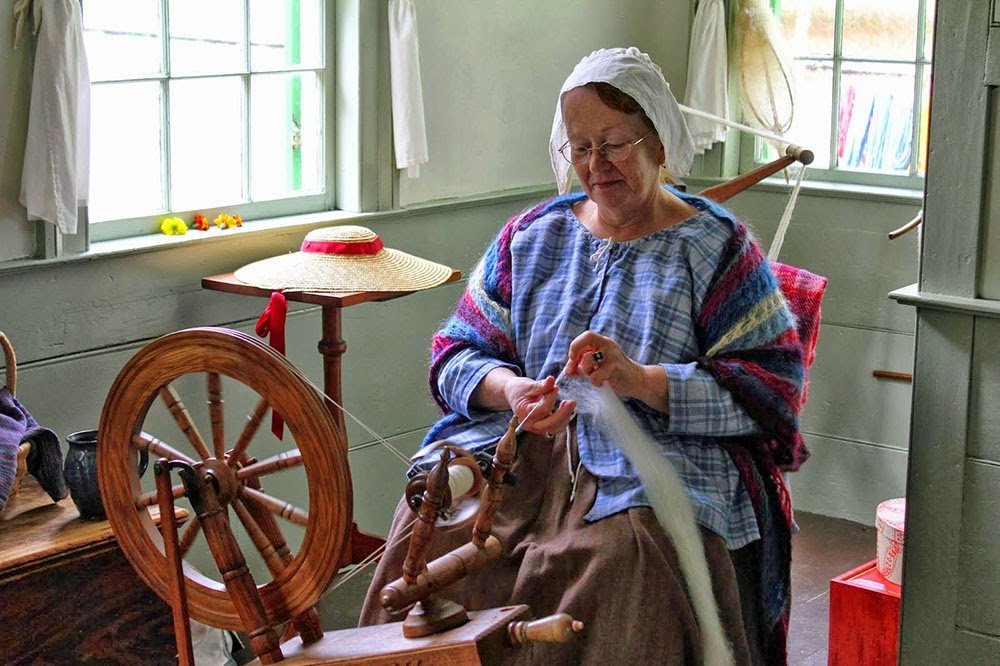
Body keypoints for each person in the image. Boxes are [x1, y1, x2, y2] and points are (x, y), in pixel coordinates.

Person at [359, 47, 811, 665]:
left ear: (659, 140)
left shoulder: (716, 247)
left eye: (615, 143)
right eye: (580, 147)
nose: (596, 165)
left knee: (624, 557)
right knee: (433, 528)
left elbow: (770, 391)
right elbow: (455, 354)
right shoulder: (532, 236)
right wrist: (508, 389)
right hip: (517, 449)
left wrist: (641, 379)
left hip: (656, 459)